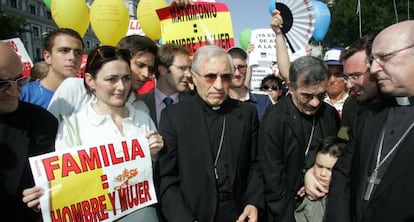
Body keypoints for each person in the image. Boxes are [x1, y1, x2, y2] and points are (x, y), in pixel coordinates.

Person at [23, 46, 164, 221]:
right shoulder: (73, 126)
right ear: (90, 80)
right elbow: (66, 183)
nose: (121, 87)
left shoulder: (143, 118)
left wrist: (156, 155)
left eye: (126, 78)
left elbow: (153, 177)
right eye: (111, 79)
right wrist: (46, 195)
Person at [157, 45, 264, 222]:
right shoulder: (174, 117)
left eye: (226, 77)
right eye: (210, 77)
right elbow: (167, 179)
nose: (219, 85)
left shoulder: (246, 114)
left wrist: (253, 203)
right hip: (194, 214)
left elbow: (256, 164)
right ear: (194, 76)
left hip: (238, 214)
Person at [326, 20, 414, 222]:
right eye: (372, 60)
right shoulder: (367, 117)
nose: (374, 69)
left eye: (384, 57)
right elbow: (343, 176)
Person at [259, 56, 340, 222]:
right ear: (291, 87)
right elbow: (273, 180)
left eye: (321, 95)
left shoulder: (329, 114)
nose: (315, 103)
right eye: (307, 96)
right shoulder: (274, 120)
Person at [0, 42, 58, 221]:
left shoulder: (42, 123)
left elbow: (51, 185)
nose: (15, 92)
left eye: (19, 81)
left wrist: (46, 199)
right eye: (2, 84)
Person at [47, 34, 157, 122]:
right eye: (140, 65)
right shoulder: (74, 88)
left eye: (151, 69)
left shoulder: (141, 108)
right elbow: (48, 134)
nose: (146, 74)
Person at [20, 28, 84, 109]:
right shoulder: (24, 94)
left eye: (78, 53)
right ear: (47, 57)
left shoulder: (89, 94)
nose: (72, 57)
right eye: (64, 50)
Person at [337, 34, 381, 140]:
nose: (348, 85)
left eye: (356, 76)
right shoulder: (351, 105)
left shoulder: (403, 105)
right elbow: (343, 141)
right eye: (346, 77)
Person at [294, 136, 346, 222]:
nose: (323, 174)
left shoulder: (344, 200)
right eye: (319, 166)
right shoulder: (304, 190)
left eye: (330, 169)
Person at [141, 43, 193, 126]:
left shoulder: (194, 103)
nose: (189, 74)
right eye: (182, 68)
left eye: (189, 68)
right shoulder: (141, 104)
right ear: (162, 70)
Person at [227, 47, 273, 121]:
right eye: (232, 68)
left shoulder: (264, 101)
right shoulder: (219, 103)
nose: (237, 73)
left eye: (241, 67)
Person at [323, 47, 349, 118]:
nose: (332, 80)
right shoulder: (317, 102)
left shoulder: (354, 102)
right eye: (328, 74)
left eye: (337, 74)